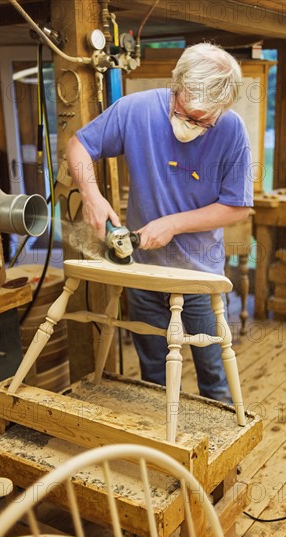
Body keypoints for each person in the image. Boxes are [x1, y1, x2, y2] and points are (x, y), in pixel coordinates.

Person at [66, 42, 253, 403]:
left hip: (200, 275)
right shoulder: (135, 110)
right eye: (186, 113)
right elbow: (78, 146)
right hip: (144, 273)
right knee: (154, 378)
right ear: (176, 85)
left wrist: (173, 224)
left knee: (213, 377)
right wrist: (91, 195)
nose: (192, 125)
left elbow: (237, 207)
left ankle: (220, 459)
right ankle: (163, 453)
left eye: (204, 120)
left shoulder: (231, 130)